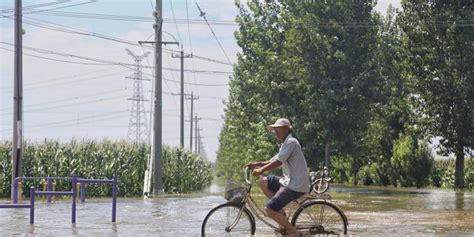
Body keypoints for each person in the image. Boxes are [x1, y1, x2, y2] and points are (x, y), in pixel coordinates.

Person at [245, 118, 310, 237]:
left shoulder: (291, 142)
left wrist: (261, 170)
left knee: (269, 209)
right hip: (288, 181)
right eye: (274, 129)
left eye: (277, 129)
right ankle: (279, 212)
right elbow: (272, 160)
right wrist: (257, 164)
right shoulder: (285, 144)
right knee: (263, 181)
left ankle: (294, 233)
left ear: (286, 129)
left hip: (295, 185)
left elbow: (278, 162)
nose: (275, 132)